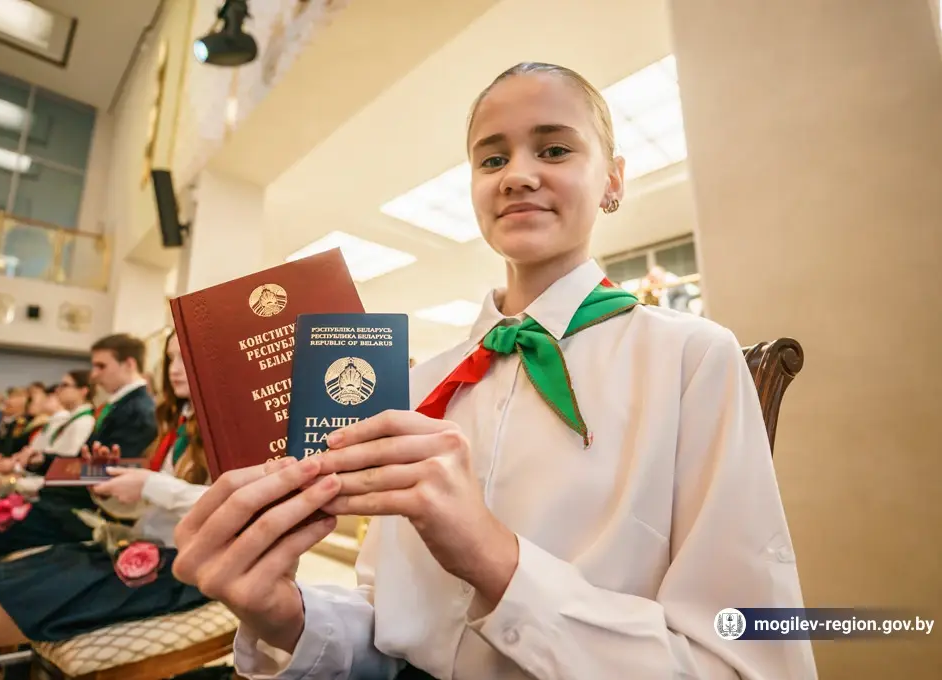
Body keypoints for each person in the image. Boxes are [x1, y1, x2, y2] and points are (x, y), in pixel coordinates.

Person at [171, 62, 816, 679]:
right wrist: (284, 614)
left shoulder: (692, 359)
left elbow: (746, 658)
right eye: (493, 158)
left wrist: (494, 559)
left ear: (613, 180)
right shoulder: (422, 384)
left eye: (555, 150)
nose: (517, 176)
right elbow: (394, 633)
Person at [0, 333, 211, 679]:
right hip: (127, 547)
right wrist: (108, 490)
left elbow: (226, 504)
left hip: (172, 570)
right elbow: (146, 512)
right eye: (170, 360)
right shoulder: (179, 421)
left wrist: (147, 484)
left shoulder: (229, 426)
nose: (175, 370)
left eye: (185, 358)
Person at [0, 334, 158, 594]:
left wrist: (26, 486)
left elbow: (108, 475)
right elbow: (88, 465)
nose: (94, 375)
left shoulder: (137, 409)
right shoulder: (121, 405)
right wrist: (42, 463)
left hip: (72, 514)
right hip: (58, 502)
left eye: (101, 366)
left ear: (129, 364)